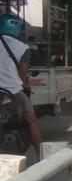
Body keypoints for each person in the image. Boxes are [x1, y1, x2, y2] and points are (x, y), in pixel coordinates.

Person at [0, 13, 43, 161]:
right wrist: (24, 83)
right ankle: (40, 156)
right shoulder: (23, 47)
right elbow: (24, 71)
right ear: (17, 29)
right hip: (13, 91)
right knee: (32, 121)